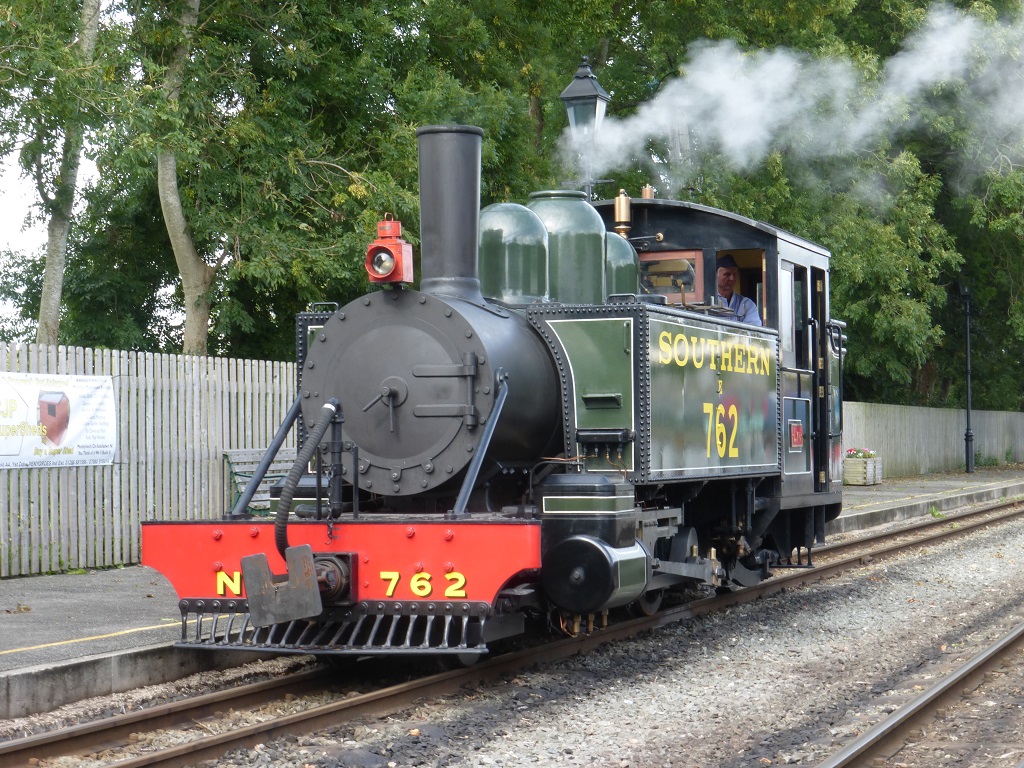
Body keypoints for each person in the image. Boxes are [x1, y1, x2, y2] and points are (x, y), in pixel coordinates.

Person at [715, 255, 762, 326]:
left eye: (734, 274)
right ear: (715, 276)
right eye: (727, 274)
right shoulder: (707, 302)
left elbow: (754, 329)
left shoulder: (746, 304)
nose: (732, 278)